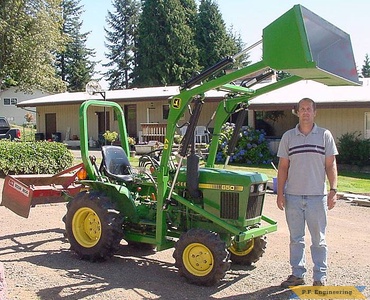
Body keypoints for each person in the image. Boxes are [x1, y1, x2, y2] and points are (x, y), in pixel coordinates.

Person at [276, 98, 338, 287]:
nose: (305, 112)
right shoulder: (288, 137)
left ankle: (320, 277)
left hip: (317, 197)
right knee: (296, 239)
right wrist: (280, 193)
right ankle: (297, 274)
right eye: (302, 109)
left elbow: (331, 164)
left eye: (308, 109)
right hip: (293, 196)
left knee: (318, 239)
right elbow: (283, 167)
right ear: (297, 112)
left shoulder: (324, 135)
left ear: (314, 112)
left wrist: (334, 189)